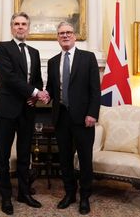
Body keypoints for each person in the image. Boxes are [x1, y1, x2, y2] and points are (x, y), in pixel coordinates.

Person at [0, 12, 47, 215]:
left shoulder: (34, 52)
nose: (20, 27)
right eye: (17, 24)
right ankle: (6, 197)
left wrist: (36, 94)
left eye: (24, 24)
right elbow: (9, 77)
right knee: (3, 155)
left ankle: (24, 193)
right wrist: (34, 92)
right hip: (6, 110)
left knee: (24, 155)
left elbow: (38, 80)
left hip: (27, 110)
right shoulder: (2, 47)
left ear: (28, 28)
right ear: (11, 27)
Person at [45, 21, 101, 215]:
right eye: (61, 33)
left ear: (75, 36)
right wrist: (43, 95)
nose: (65, 36)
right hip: (61, 117)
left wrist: (92, 113)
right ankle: (70, 194)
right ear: (57, 38)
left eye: (69, 32)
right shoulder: (52, 62)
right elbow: (51, 90)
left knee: (85, 159)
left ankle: (85, 196)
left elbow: (96, 90)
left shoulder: (88, 58)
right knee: (65, 159)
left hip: (84, 118)